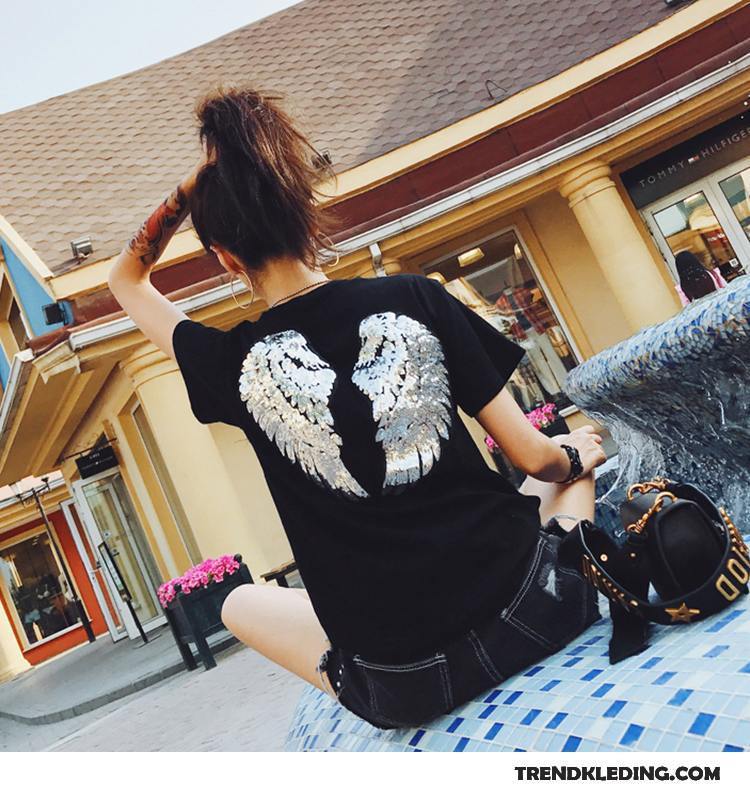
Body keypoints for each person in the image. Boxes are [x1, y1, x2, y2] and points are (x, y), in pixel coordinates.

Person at [108, 85, 607, 730]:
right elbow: (534, 460)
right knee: (573, 466)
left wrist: (191, 188)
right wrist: (574, 456)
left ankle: (361, 668)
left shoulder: (231, 361)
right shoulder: (416, 299)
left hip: (405, 685)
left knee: (237, 605)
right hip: (535, 612)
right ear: (303, 214)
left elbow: (126, 279)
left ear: (226, 259)